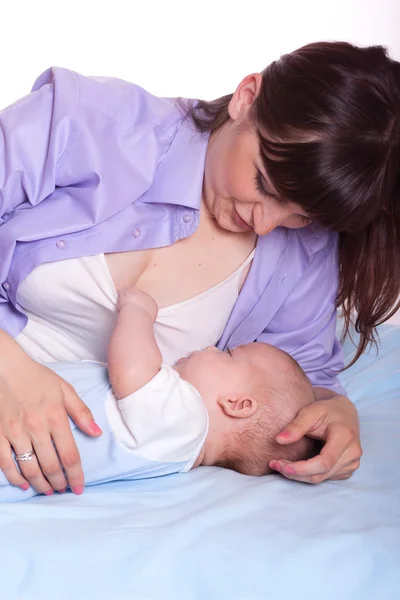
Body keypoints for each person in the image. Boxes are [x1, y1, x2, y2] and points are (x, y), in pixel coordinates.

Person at [0, 40, 398, 496]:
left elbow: (304, 380)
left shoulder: (303, 252)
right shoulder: (86, 123)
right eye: (265, 184)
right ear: (247, 97)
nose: (267, 224)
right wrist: (9, 369)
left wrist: (337, 416)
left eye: (300, 215)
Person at [1, 288, 317, 502]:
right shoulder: (176, 451)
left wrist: (138, 310)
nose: (210, 347)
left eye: (228, 354)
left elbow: (131, 370)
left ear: (237, 404)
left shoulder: (187, 424)